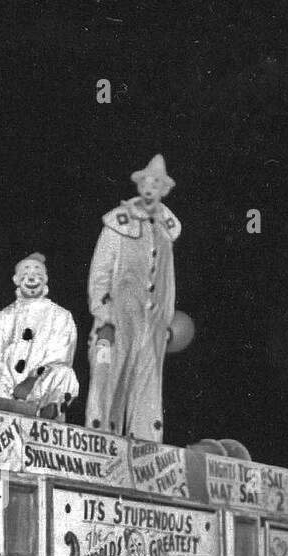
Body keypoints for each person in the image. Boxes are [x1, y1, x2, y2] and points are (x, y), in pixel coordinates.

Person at [85, 153, 183, 440]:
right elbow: (101, 269)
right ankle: (102, 436)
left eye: (157, 183)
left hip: (152, 317)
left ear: (165, 190)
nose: (150, 187)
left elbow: (168, 277)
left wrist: (164, 319)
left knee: (148, 380)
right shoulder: (119, 221)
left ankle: (144, 440)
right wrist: (102, 311)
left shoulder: (166, 228)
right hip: (120, 312)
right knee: (110, 373)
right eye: (146, 182)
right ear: (139, 185)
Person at [0, 253, 79, 419]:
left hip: (38, 392)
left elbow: (60, 356)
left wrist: (32, 380)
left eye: (37, 276)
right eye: (25, 276)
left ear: (45, 279)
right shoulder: (5, 316)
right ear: (17, 280)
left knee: (66, 375)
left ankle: (47, 415)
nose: (32, 280)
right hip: (4, 391)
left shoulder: (61, 315)